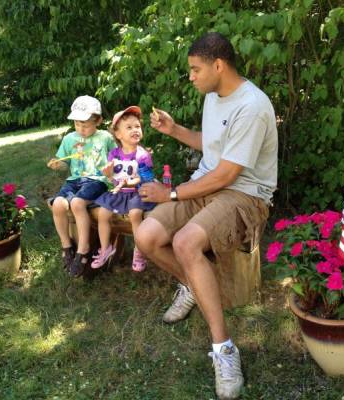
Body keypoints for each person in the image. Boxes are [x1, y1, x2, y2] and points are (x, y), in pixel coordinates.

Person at [135, 32, 277, 400]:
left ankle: (224, 349)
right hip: (207, 184)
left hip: (245, 195)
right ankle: (194, 285)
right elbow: (212, 146)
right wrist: (174, 130)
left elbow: (228, 174)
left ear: (218, 65)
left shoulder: (252, 106)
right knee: (146, 236)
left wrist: (170, 193)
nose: (191, 76)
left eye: (195, 69)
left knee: (185, 242)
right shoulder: (213, 97)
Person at [47, 95, 117, 277]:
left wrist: (113, 171)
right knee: (58, 204)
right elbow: (65, 164)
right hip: (74, 180)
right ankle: (66, 246)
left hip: (97, 180)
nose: (80, 129)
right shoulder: (69, 139)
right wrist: (58, 165)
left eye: (85, 125)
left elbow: (117, 158)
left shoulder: (105, 137)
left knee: (77, 203)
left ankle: (83, 248)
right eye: (77, 124)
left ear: (98, 121)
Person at [92, 106, 155, 272]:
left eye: (137, 126)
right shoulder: (114, 154)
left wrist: (129, 183)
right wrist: (109, 175)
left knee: (135, 214)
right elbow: (114, 180)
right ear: (118, 134)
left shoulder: (143, 155)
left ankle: (139, 250)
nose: (135, 130)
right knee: (103, 213)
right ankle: (105, 248)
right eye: (129, 127)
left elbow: (145, 179)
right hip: (120, 192)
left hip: (138, 192)